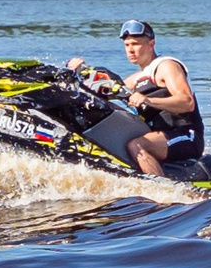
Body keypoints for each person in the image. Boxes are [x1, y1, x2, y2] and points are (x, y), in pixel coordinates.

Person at [71, 18, 202, 178]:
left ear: (151, 44)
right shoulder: (135, 79)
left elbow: (187, 102)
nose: (130, 50)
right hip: (158, 137)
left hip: (186, 135)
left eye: (136, 44)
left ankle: (164, 191)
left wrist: (148, 100)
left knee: (136, 145)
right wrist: (76, 73)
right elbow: (101, 95)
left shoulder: (166, 66)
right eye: (127, 45)